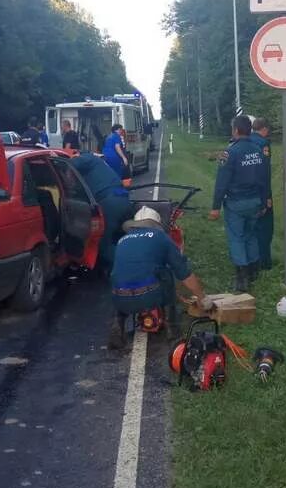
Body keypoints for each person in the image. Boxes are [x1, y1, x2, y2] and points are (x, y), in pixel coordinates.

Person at [108, 206, 212, 350]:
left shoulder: (122, 240)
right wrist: (202, 297)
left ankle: (117, 326)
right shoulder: (161, 237)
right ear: (156, 224)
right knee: (167, 274)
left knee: (123, 278)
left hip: (119, 298)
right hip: (149, 296)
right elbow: (184, 273)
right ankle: (172, 331)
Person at [208, 115, 269, 292]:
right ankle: (253, 272)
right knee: (250, 235)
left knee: (237, 237)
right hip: (256, 202)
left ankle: (241, 278)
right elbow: (264, 179)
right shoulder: (258, 150)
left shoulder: (230, 153)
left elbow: (222, 183)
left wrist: (215, 207)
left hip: (236, 204)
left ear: (235, 130)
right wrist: (265, 202)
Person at [70, 149, 133, 271]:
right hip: (124, 200)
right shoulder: (98, 165)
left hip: (110, 204)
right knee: (121, 238)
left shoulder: (88, 158)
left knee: (103, 244)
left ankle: (130, 266)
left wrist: (62, 158)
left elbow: (71, 164)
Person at [251, 117, 274, 269]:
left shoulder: (244, 141)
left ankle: (252, 261)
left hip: (246, 194)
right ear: (264, 129)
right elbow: (264, 173)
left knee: (250, 230)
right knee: (265, 229)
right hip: (261, 192)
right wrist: (267, 198)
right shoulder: (263, 144)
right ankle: (264, 262)